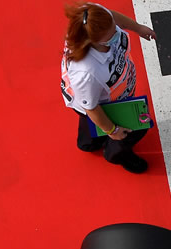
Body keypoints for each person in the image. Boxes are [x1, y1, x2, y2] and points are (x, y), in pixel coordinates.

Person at [60, 2, 156, 174]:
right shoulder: (86, 72)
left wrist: (138, 28)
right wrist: (113, 130)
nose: (117, 32)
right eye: (112, 34)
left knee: (90, 128)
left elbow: (112, 16)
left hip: (100, 96)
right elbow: (91, 108)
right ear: (94, 41)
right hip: (102, 105)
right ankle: (116, 155)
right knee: (134, 129)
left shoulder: (91, 16)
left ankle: (88, 143)